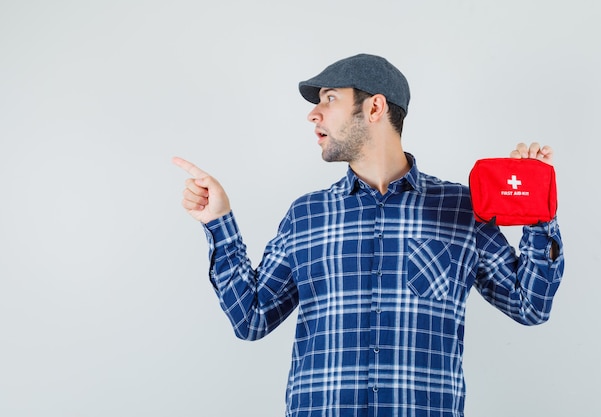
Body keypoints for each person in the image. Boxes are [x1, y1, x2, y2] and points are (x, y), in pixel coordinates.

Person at [173, 54, 564, 417]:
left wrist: (536, 211)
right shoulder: (306, 215)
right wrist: (219, 221)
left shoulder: (463, 209)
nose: (313, 114)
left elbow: (529, 306)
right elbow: (252, 318)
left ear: (374, 107)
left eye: (329, 99)